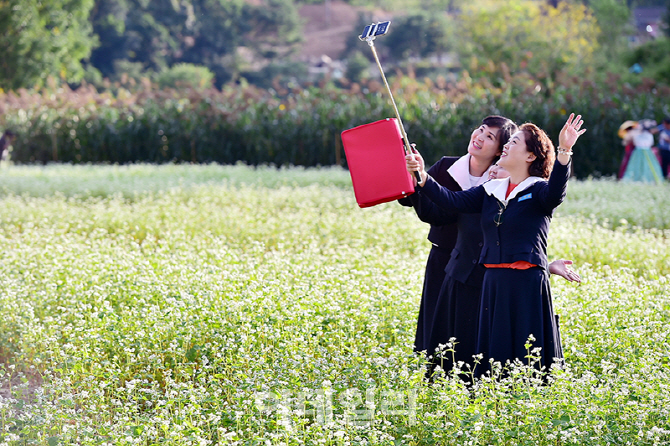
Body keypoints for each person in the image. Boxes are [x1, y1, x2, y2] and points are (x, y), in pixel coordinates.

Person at [406, 113, 586, 378]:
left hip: (525, 284)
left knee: (526, 356)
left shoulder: (538, 191)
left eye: (513, 142)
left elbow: (557, 191)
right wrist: (421, 175)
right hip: (492, 280)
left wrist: (565, 150)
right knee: (492, 357)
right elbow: (452, 201)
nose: (506, 147)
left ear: (529, 157)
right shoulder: (491, 190)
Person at [398, 116, 518, 354]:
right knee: (435, 324)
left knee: (469, 331)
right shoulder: (445, 166)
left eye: (490, 137)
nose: (480, 137)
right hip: (443, 258)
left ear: (500, 151)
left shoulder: (501, 180)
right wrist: (412, 174)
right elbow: (410, 199)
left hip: (478, 265)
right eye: (480, 130)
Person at [622, 119, 664, 184]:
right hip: (646, 152)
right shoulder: (647, 135)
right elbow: (651, 143)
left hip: (639, 152)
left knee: (638, 166)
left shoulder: (637, 135)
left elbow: (636, 142)